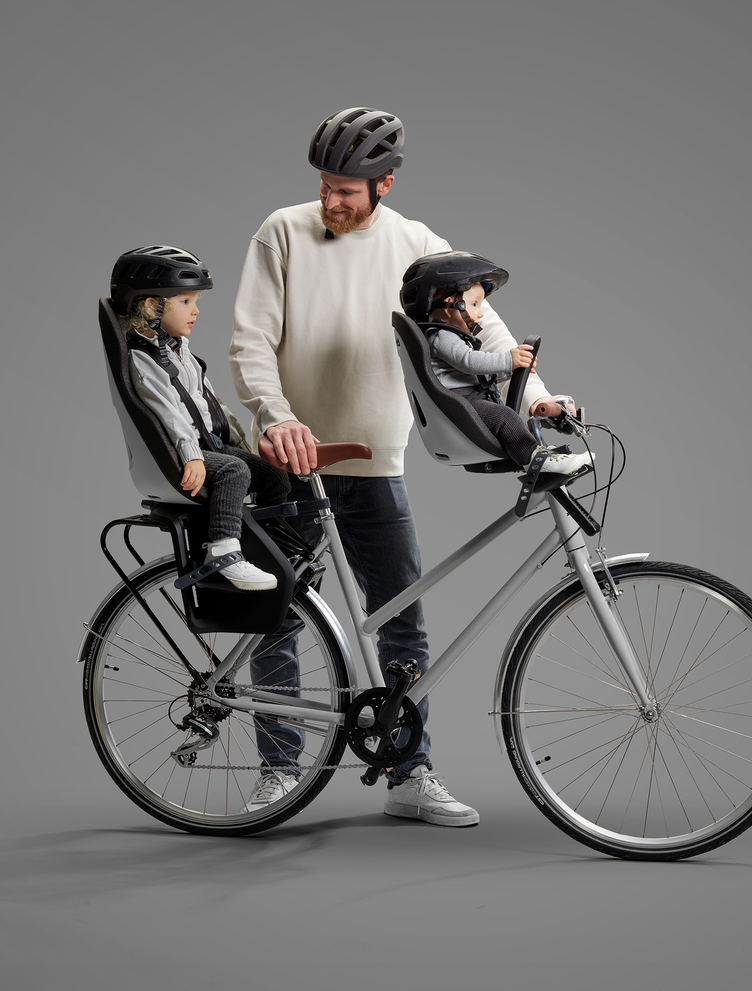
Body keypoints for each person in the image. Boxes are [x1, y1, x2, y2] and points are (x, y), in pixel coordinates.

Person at [229, 108, 574, 824]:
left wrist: (534, 398)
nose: (331, 201)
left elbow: (483, 325)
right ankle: (277, 771)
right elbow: (250, 341)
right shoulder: (281, 232)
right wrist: (276, 418)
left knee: (403, 623)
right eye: (325, 186)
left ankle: (407, 771)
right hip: (288, 457)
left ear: (384, 183)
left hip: (373, 458)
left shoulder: (417, 245)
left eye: (348, 190)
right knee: (278, 619)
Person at [111, 245, 290, 591]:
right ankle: (223, 552)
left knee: (274, 478)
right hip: (183, 452)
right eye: (186, 302)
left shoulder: (178, 349)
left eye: (196, 303)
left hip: (207, 444)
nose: (195, 311)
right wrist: (191, 454)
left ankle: (266, 550)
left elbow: (210, 403)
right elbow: (166, 410)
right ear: (152, 304)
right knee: (233, 470)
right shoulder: (143, 359)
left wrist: (239, 440)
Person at [401, 250, 592, 473]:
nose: (480, 314)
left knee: (509, 419)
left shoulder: (448, 336)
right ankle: (537, 461)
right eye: (474, 304)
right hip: (461, 405)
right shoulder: (441, 336)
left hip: (467, 401)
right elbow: (469, 362)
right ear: (450, 302)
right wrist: (508, 360)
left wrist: (512, 372)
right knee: (505, 417)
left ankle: (538, 455)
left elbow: (473, 374)